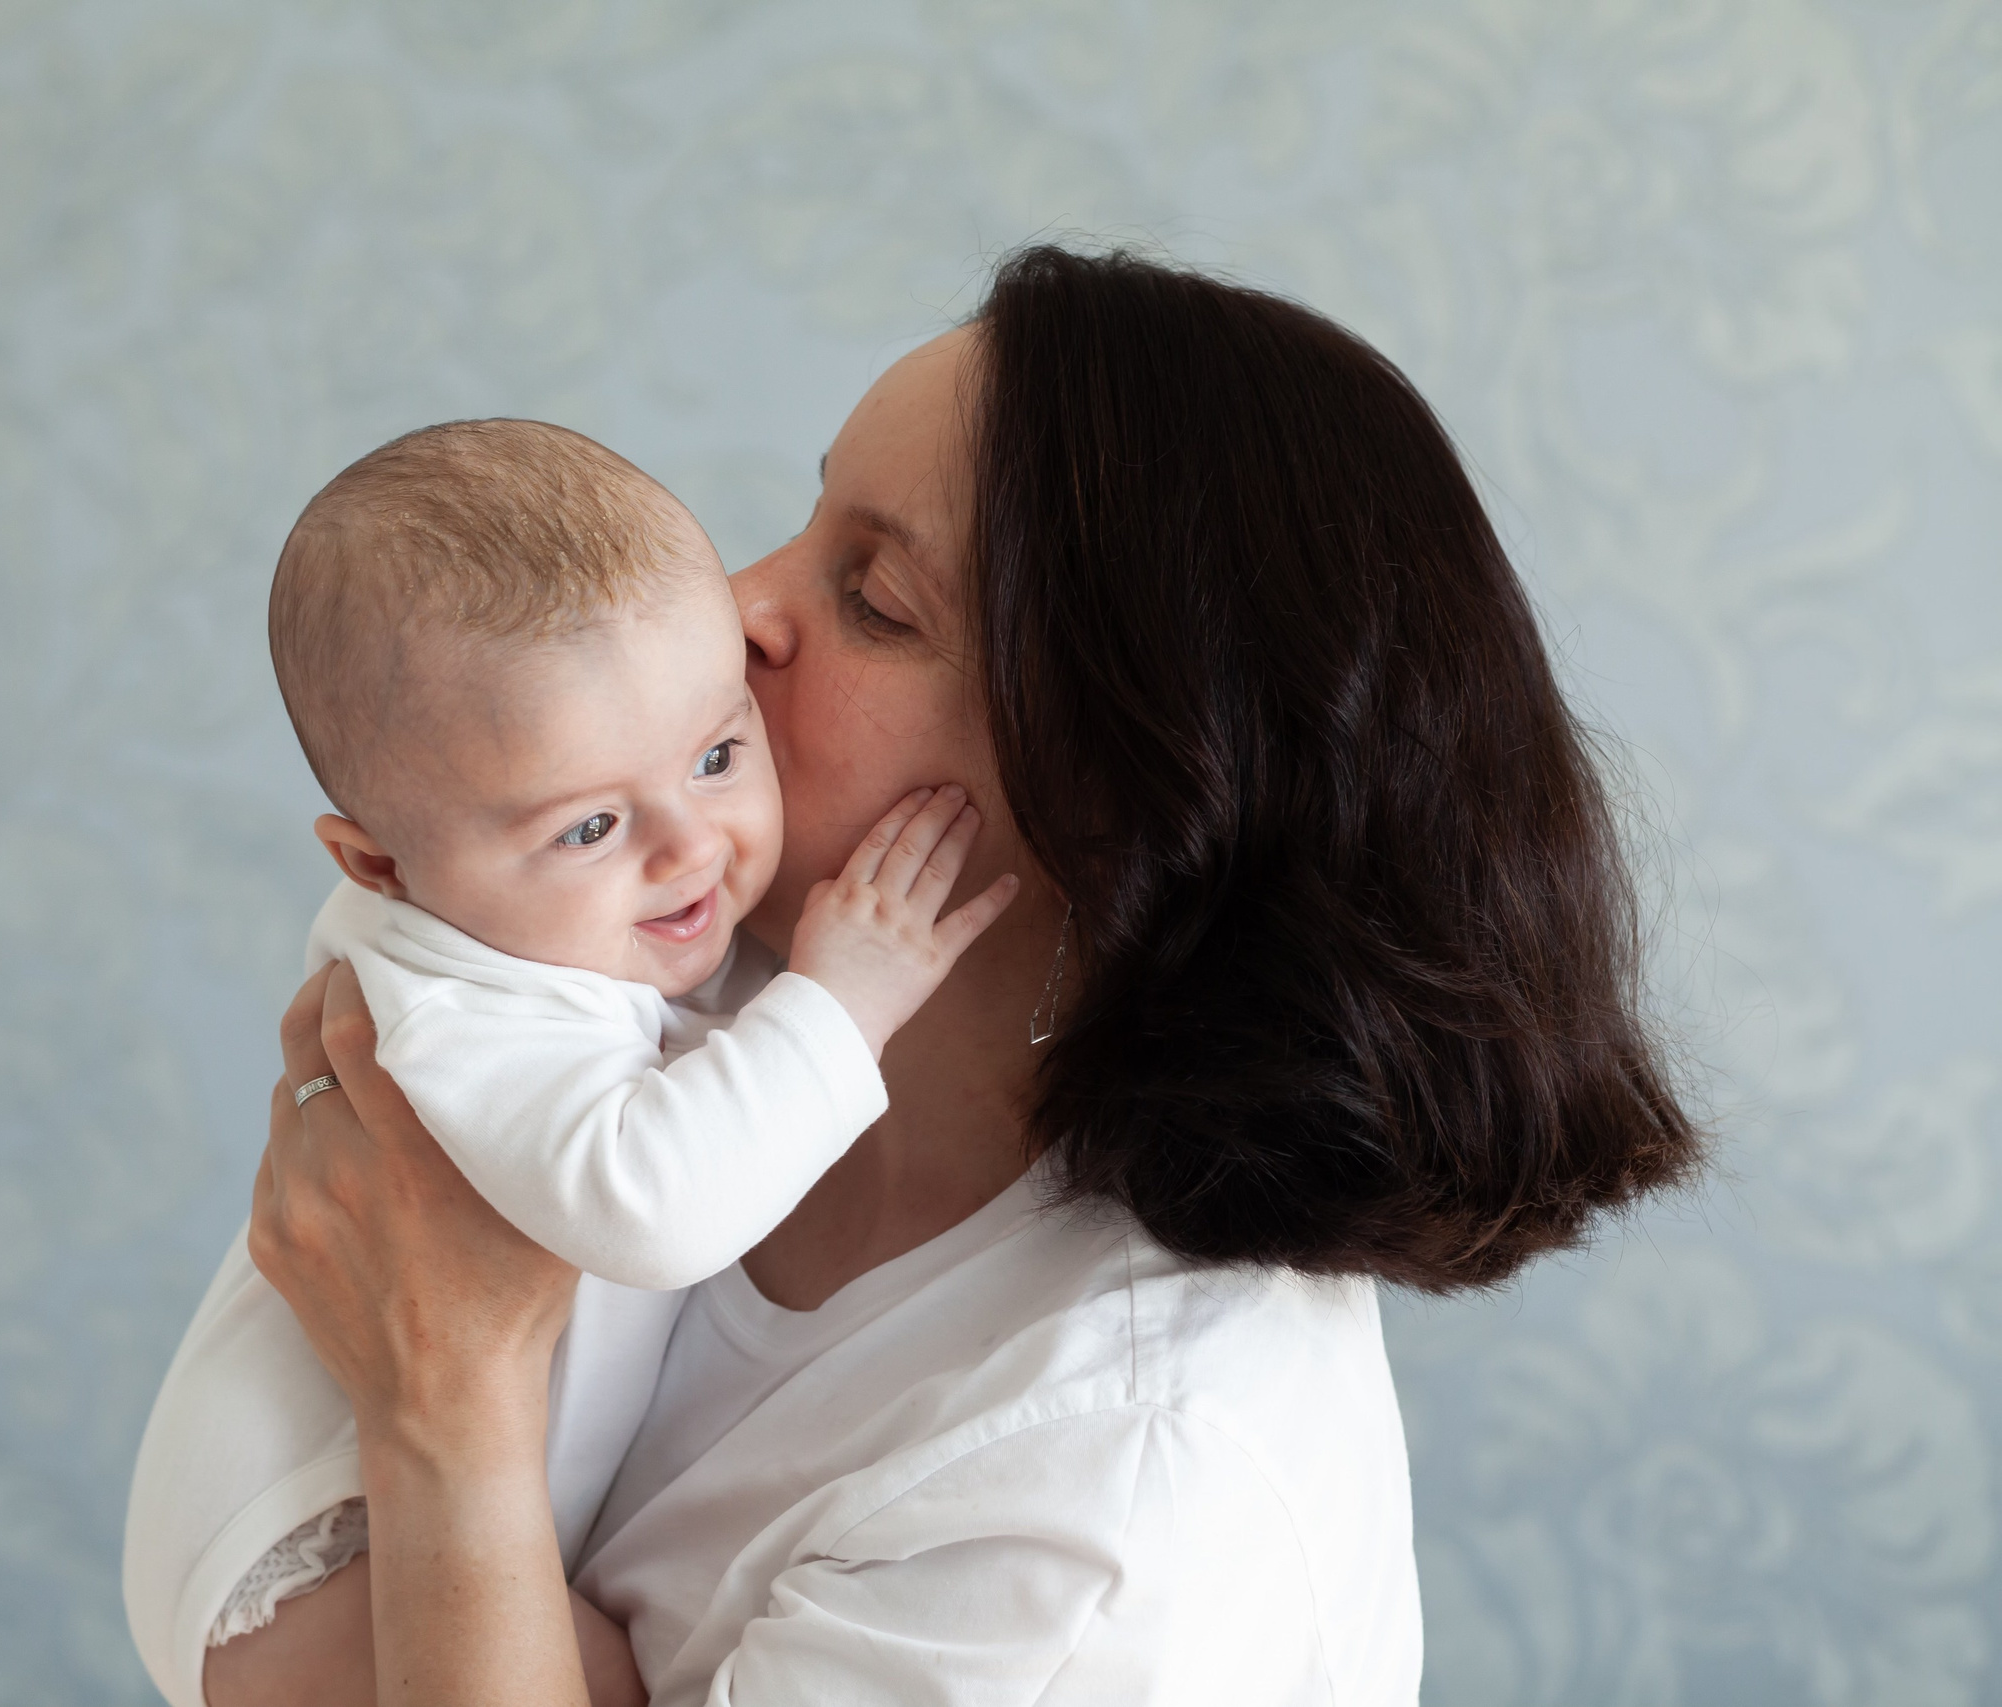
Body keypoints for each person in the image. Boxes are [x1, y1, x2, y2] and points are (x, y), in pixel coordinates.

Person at [183, 245, 1705, 1706]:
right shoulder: (671, 1004)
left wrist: (446, 1414)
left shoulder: (1103, 1508)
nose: (734, 606)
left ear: (1121, 808)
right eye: (802, 515)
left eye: (876, 597)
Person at [123, 421, 1016, 1706]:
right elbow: (651, 1206)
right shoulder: (454, 1010)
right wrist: (844, 1000)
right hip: (305, 1553)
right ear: (378, 865)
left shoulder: (565, 930)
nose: (689, 849)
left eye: (716, 757)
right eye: (591, 825)